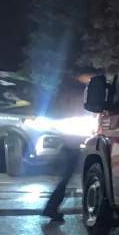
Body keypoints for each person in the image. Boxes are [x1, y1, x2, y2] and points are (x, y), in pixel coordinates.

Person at [42, 68, 96, 222]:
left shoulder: (70, 92)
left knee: (70, 178)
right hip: (75, 142)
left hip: (74, 142)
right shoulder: (77, 94)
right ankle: (53, 208)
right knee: (71, 177)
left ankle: (52, 208)